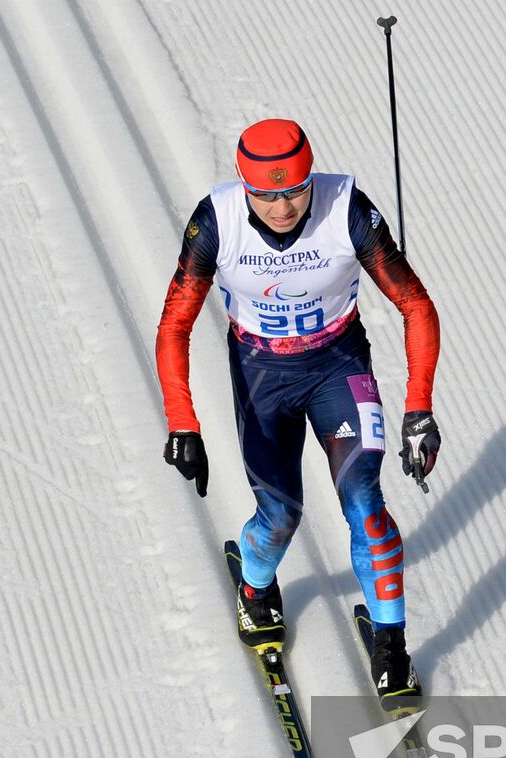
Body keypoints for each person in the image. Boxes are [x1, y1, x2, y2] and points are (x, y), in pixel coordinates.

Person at [156, 118, 441, 707]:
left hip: (338, 367)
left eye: (295, 190)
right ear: (244, 186)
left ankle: (391, 647)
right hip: (262, 377)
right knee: (281, 514)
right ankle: (256, 589)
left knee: (365, 505)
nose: (283, 206)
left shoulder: (347, 208)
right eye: (267, 193)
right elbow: (175, 325)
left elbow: (416, 306)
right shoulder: (215, 222)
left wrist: (419, 410)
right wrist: (183, 422)